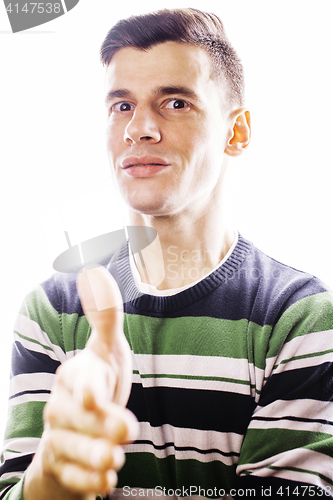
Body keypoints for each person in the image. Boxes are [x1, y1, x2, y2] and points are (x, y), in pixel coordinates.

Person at [1, 7, 333, 500]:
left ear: (236, 132)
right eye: (121, 106)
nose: (139, 129)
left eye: (175, 103)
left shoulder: (299, 316)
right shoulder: (52, 312)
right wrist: (51, 478)